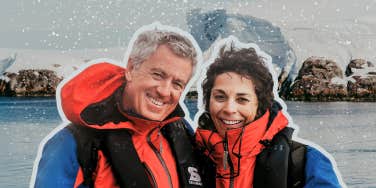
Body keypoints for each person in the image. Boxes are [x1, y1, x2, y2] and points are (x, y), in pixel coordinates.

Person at [31, 24, 204, 188]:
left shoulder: (182, 132)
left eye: (177, 84)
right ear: (131, 68)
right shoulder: (72, 145)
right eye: (158, 75)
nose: (165, 91)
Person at [195, 44, 343, 188]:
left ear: (259, 104)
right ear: (208, 101)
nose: (229, 109)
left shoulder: (305, 162)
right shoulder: (188, 156)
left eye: (242, 99)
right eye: (220, 97)